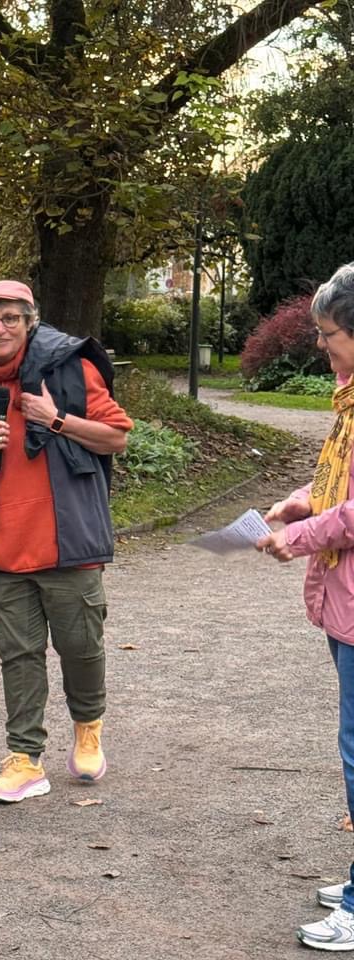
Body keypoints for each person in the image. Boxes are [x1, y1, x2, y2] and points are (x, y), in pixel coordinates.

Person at [0, 280, 133, 803]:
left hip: (68, 543)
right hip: (0, 548)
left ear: (29, 321)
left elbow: (116, 436)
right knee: (18, 657)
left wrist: (57, 420)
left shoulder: (71, 368)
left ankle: (88, 729)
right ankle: (24, 760)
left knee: (80, 647)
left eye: (9, 318)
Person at [257, 262, 354, 950]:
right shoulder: (349, 401)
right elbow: (341, 481)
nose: (320, 345)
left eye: (328, 334)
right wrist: (303, 501)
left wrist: (304, 534)